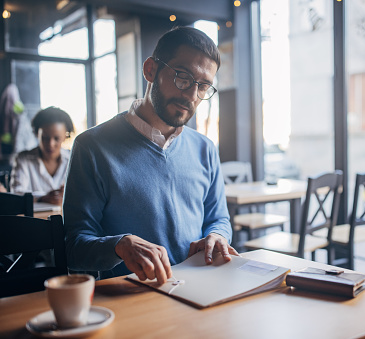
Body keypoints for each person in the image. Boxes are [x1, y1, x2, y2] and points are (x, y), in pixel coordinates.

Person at [64, 26, 238, 284]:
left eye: (203, 86)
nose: (191, 95)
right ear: (150, 70)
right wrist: (119, 245)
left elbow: (218, 219)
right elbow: (74, 247)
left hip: (199, 289)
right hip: (129, 299)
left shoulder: (205, 148)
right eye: (183, 76)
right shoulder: (91, 147)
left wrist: (218, 236)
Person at [10, 106, 74, 205]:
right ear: (36, 134)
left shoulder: (73, 159)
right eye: (45, 138)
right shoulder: (23, 159)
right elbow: (16, 194)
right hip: (34, 220)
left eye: (56, 138)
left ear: (66, 136)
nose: (50, 144)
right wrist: (43, 198)